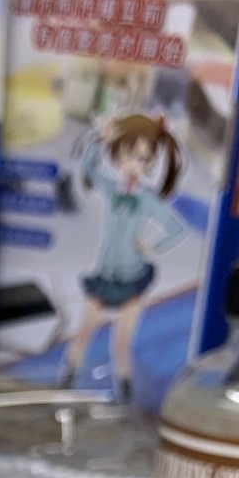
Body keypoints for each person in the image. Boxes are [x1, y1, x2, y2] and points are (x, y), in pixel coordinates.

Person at [63, 112, 186, 398]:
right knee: (83, 333)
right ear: (117, 157)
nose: (133, 165)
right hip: (105, 274)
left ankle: (126, 394)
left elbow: (175, 228)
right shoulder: (111, 188)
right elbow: (87, 167)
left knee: (121, 343)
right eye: (127, 156)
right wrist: (100, 140)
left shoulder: (146, 199)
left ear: (151, 162)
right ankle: (65, 382)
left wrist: (152, 246)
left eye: (142, 159)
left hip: (132, 277)